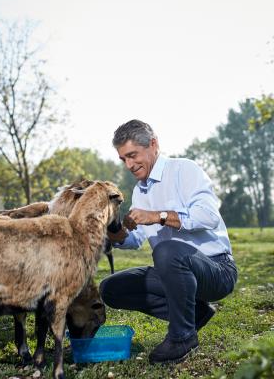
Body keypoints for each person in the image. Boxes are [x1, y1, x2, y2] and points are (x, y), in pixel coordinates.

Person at [99, 119, 237, 365]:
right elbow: (136, 239)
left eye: (132, 155)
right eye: (123, 159)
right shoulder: (140, 191)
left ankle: (182, 336)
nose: (129, 165)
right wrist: (115, 232)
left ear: (153, 144)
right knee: (111, 289)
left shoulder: (184, 170)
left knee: (166, 250)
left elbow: (209, 216)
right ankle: (196, 313)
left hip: (217, 270)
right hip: (174, 270)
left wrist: (157, 216)